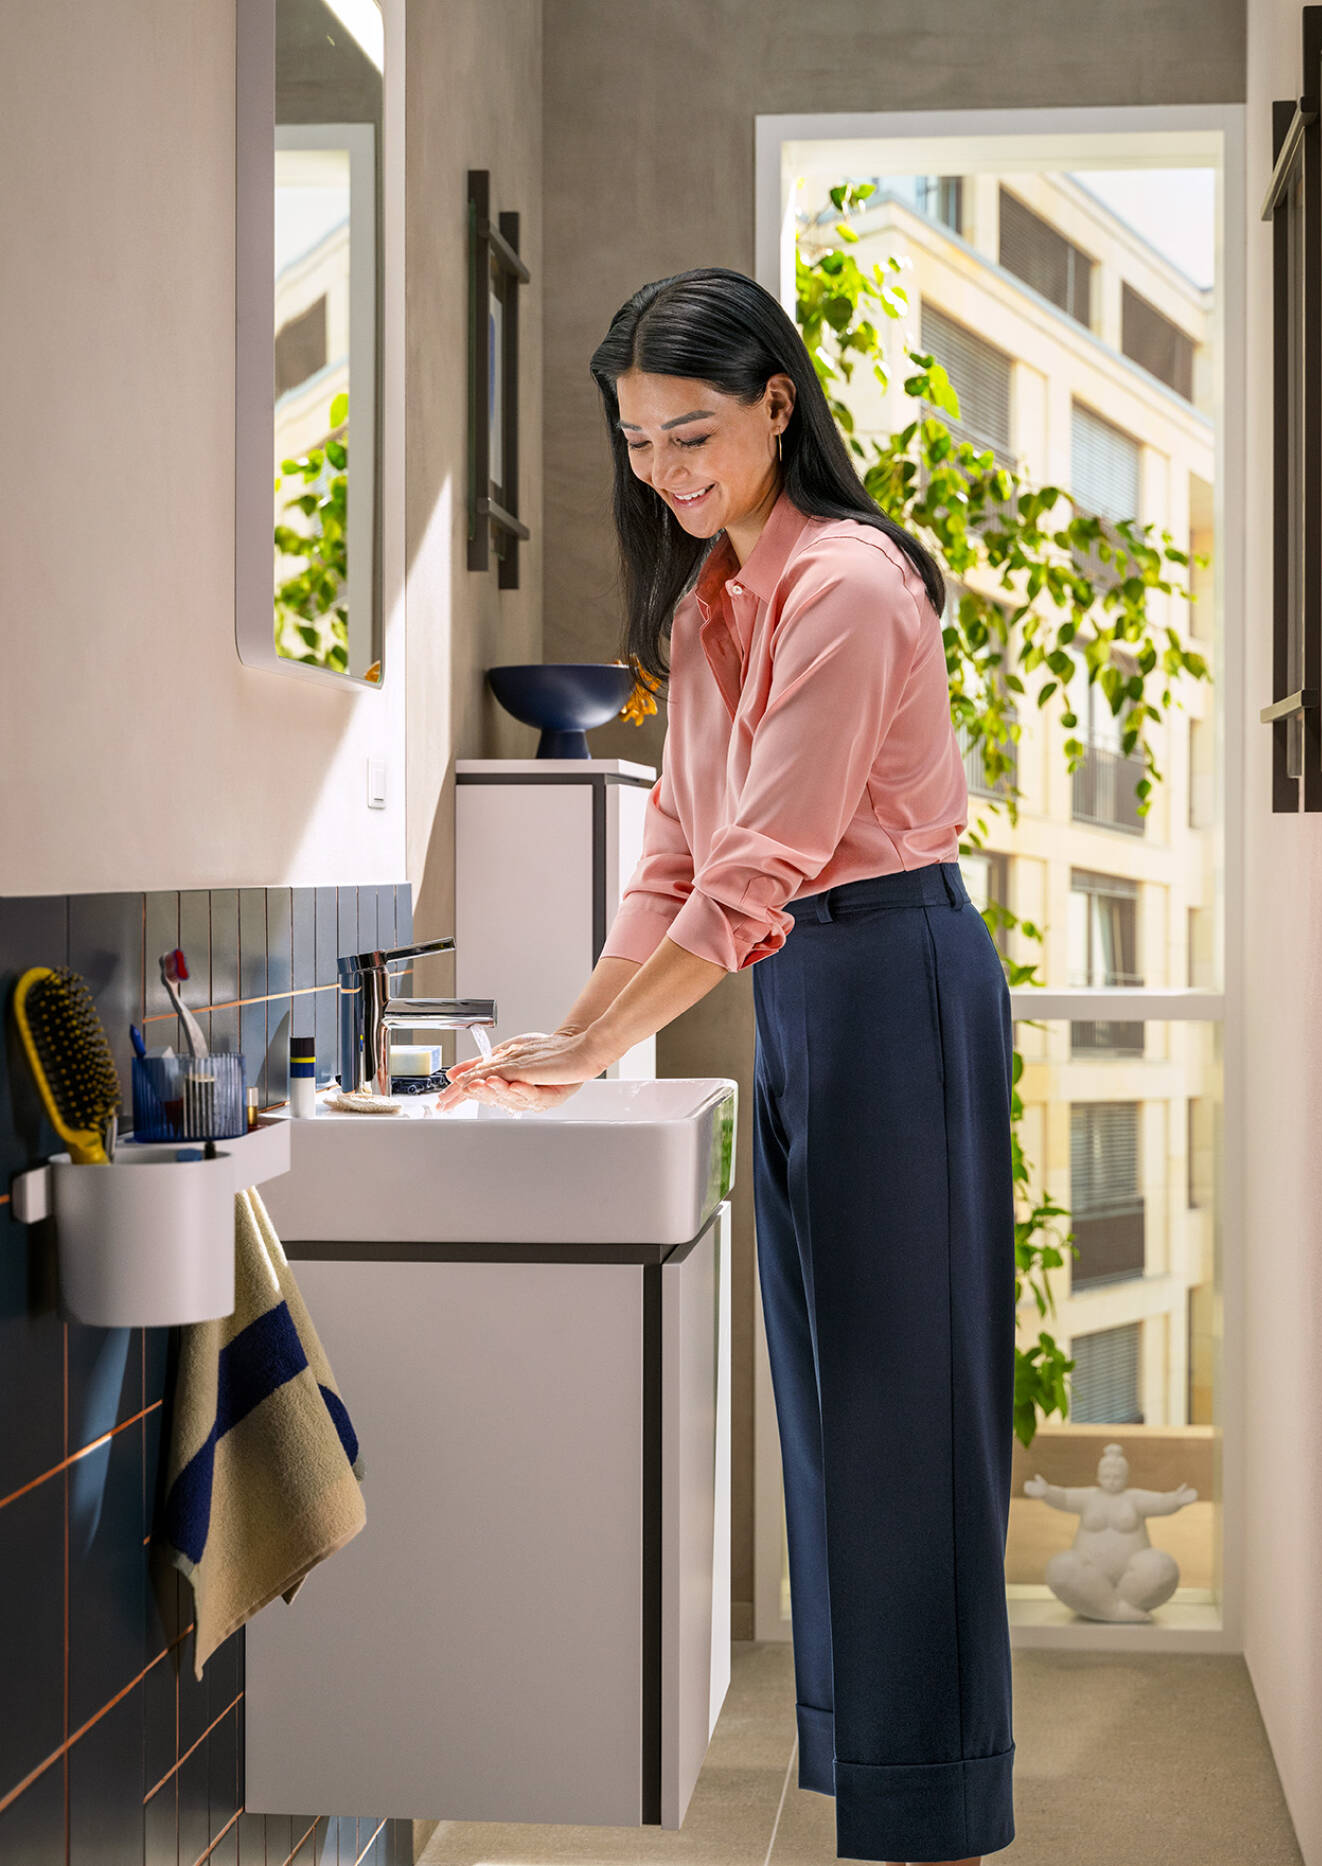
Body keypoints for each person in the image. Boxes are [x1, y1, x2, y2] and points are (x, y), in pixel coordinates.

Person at [438, 265, 1017, 1866]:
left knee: (913, 1410)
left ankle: (937, 1816)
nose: (667, 470)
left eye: (692, 432)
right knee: (835, 1404)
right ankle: (896, 1805)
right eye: (637, 442)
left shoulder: (844, 582)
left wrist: (602, 1041)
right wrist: (575, 1033)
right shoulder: (704, 607)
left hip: (895, 973)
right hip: (806, 998)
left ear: (778, 404)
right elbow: (675, 852)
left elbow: (756, 870)